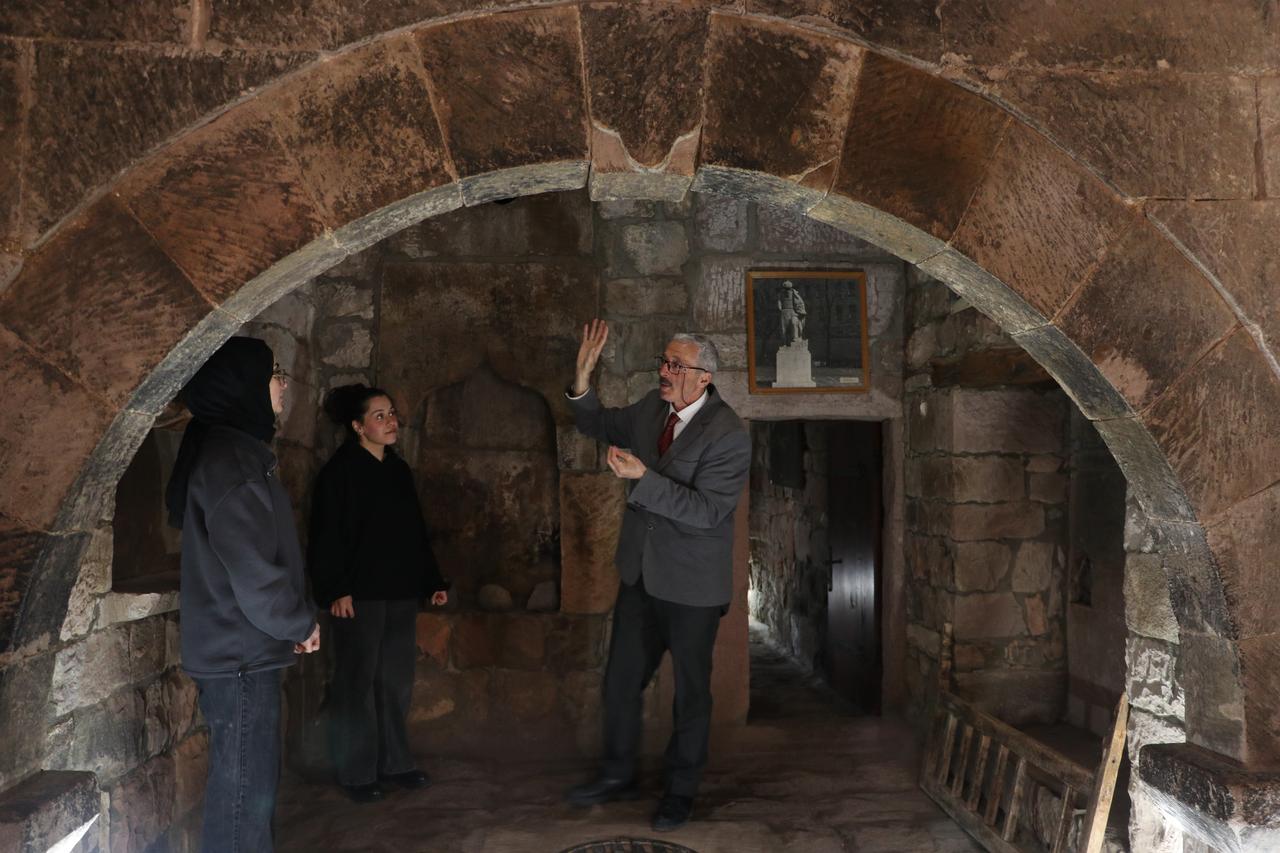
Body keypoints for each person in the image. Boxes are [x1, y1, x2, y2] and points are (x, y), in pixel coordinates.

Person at [564, 320, 751, 832]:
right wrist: (581, 379)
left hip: (691, 589)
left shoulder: (730, 435)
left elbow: (709, 510)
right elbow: (598, 422)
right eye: (663, 362)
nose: (664, 372)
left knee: (690, 694)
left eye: (675, 366)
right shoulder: (651, 408)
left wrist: (643, 478)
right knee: (621, 681)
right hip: (641, 577)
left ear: (704, 377)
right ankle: (618, 773)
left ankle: (681, 791)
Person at [165, 336, 320, 853]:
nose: (283, 383)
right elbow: (253, 569)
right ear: (243, 386)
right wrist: (297, 623)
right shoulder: (232, 459)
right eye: (275, 372)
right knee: (242, 800)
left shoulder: (237, 452)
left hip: (243, 652)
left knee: (247, 792)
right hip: (240, 656)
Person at [308, 384, 449, 804]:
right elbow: (326, 537)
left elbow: (414, 535)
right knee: (357, 682)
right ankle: (357, 771)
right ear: (357, 426)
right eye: (380, 416)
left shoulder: (398, 471)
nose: (391, 422)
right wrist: (336, 590)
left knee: (395, 682)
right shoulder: (339, 473)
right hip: (359, 598)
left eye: (391, 414)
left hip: (400, 594)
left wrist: (432, 583)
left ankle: (396, 764)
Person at [778, 280, 807, 345]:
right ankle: (785, 342)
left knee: (794, 323)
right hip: (784, 312)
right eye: (786, 289)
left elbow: (800, 303)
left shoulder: (794, 293)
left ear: (791, 288)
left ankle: (795, 338)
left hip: (793, 311)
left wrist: (800, 312)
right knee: (784, 328)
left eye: (788, 289)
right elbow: (779, 301)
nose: (787, 290)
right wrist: (779, 307)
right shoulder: (781, 294)